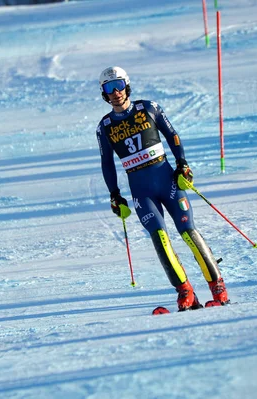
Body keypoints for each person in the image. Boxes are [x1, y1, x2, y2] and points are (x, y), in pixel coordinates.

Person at [95, 66, 229, 311]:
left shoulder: (148, 107)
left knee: (188, 231)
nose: (115, 93)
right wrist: (115, 194)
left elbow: (172, 135)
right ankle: (186, 293)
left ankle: (218, 288)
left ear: (127, 86)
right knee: (160, 238)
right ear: (103, 93)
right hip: (141, 190)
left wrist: (183, 164)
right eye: (108, 88)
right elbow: (107, 163)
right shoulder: (104, 126)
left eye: (119, 86)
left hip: (166, 179)